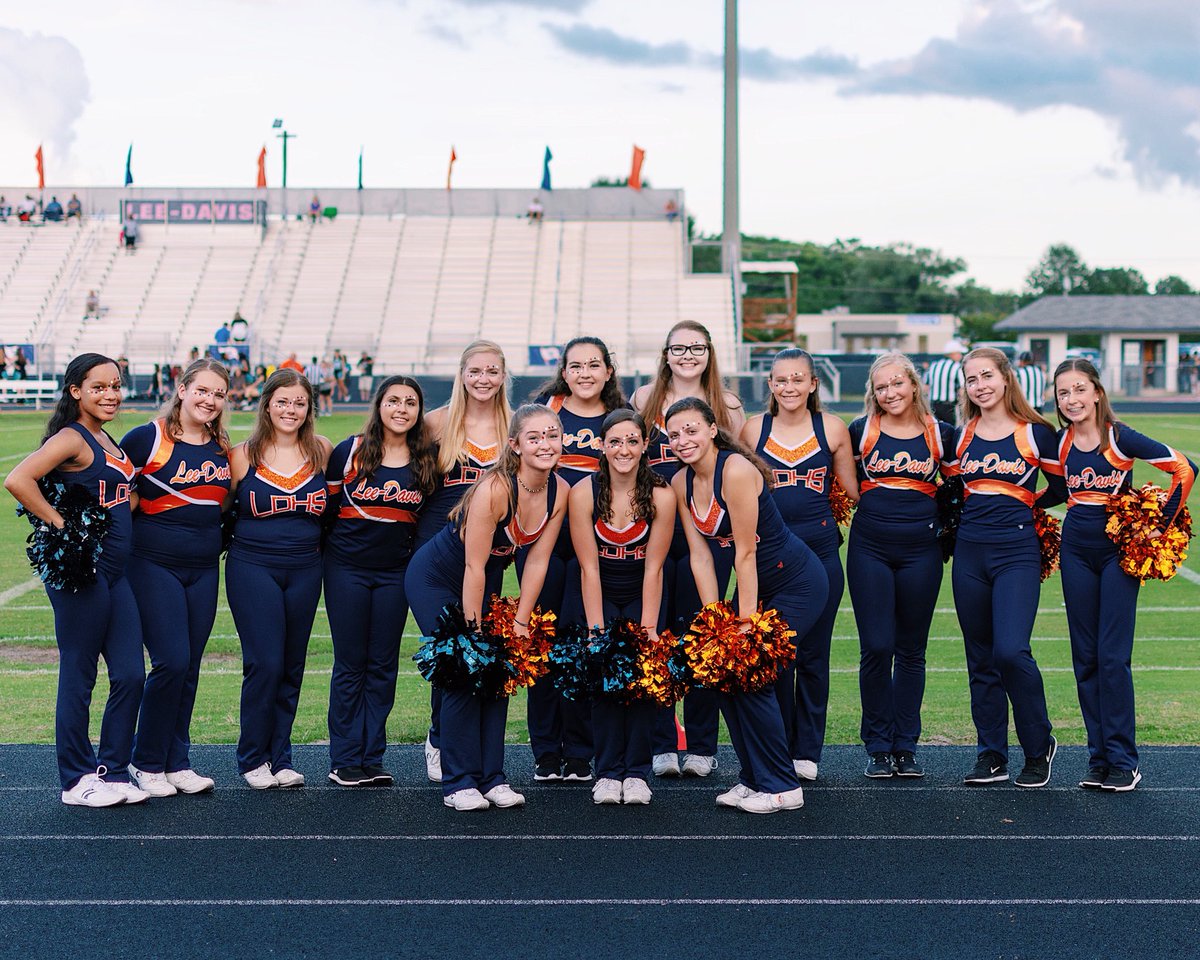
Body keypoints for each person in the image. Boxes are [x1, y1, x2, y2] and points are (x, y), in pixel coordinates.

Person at [666, 397, 827, 813]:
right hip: (762, 584)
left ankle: (781, 786)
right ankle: (753, 777)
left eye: (691, 430)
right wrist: (715, 622)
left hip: (797, 582)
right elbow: (700, 556)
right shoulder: (681, 482)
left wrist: (745, 625)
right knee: (725, 675)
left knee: (750, 674)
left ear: (712, 429)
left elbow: (746, 555)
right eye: (675, 434)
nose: (683, 440)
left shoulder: (735, 470)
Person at [406, 404, 569, 811]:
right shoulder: (495, 489)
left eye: (552, 434)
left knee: (499, 673)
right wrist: (473, 631)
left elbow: (537, 561)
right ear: (514, 445)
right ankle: (458, 782)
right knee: (465, 669)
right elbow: (474, 565)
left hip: (484, 578)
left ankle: (492, 776)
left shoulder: (560, 490)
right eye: (534, 437)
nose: (545, 443)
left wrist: (520, 621)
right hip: (439, 577)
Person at [4, 354, 147, 806]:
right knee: (80, 672)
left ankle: (113, 770)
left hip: (116, 573)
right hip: (81, 571)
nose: (110, 395)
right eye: (99, 387)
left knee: (130, 674)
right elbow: (18, 479)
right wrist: (63, 526)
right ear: (76, 392)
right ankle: (75, 779)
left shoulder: (110, 440)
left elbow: (123, 499)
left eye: (116, 386)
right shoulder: (71, 438)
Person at [1051, 359, 1195, 791]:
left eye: (1079, 389)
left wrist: (1158, 525)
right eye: (1063, 393)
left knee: (1113, 657)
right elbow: (1059, 492)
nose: (1072, 399)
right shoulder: (1060, 443)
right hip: (1075, 546)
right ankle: (1098, 759)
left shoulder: (1119, 437)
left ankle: (1123, 759)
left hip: (1117, 551)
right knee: (1086, 658)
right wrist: (1014, 508)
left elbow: (1185, 469)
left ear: (1096, 392)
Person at [633, 320, 744, 778]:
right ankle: (661, 741)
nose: (687, 355)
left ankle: (701, 742)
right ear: (665, 353)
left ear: (709, 352)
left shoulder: (729, 404)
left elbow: (737, 468)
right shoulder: (643, 400)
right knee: (655, 632)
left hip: (706, 530)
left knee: (703, 634)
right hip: (654, 531)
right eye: (678, 348)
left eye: (696, 347)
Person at [952, 347, 1066, 788]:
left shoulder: (1037, 433)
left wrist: (1025, 504)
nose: (979, 386)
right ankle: (992, 754)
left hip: (1016, 551)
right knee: (980, 656)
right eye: (971, 379)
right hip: (970, 553)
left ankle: (1038, 748)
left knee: (1010, 651)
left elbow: (1060, 487)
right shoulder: (963, 434)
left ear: (1006, 378)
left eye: (986, 376)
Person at [741, 348, 857, 781]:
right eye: (780, 380)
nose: (789, 387)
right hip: (769, 561)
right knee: (774, 659)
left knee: (813, 656)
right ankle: (779, 748)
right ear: (770, 385)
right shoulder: (754, 429)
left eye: (798, 379)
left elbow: (854, 490)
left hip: (821, 557)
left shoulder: (833, 428)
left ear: (813, 384)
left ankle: (807, 751)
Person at [120, 358, 233, 798]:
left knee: (189, 668)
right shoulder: (147, 438)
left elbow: (222, 507)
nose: (209, 400)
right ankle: (145, 761)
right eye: (202, 390)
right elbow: (114, 495)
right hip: (152, 564)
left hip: (203, 569)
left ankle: (176, 760)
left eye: (218, 394)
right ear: (182, 389)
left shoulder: (222, 446)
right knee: (171, 661)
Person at [846, 353, 957, 778]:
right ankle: (877, 744)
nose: (889, 393)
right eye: (881, 387)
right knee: (876, 646)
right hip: (870, 548)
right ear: (873, 393)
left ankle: (905, 745)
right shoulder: (862, 431)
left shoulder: (940, 433)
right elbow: (848, 483)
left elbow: (953, 488)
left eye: (897, 383)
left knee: (911, 650)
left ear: (914, 384)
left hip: (921, 552)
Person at [324, 377, 439, 787]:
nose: (401, 409)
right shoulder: (350, 452)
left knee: (382, 665)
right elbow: (328, 510)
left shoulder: (427, 458)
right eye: (393, 400)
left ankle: (372, 756)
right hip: (346, 570)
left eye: (411, 402)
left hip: (396, 574)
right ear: (380, 405)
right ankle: (344, 758)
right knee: (351, 663)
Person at [526, 336, 627, 782]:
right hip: (544, 545)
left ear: (608, 371)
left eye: (594, 364)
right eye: (576, 365)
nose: (585, 372)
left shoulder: (621, 419)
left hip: (600, 550)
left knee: (587, 644)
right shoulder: (545, 412)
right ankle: (547, 752)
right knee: (543, 646)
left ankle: (582, 752)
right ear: (563, 371)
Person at [226, 369, 332, 789]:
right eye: (283, 401)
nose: (291, 410)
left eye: (299, 403)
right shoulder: (242, 454)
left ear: (310, 408)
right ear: (267, 404)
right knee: (265, 662)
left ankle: (280, 756)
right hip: (253, 566)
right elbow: (215, 512)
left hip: (307, 568)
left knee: (291, 663)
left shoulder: (322, 450)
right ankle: (252, 757)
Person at [414, 340, 511, 781]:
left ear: (503, 376)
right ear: (462, 374)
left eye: (492, 371)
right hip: (438, 553)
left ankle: (457, 746)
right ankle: (441, 739)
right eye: (475, 371)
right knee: (450, 650)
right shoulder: (436, 424)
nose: (483, 379)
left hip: (489, 560)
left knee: (477, 652)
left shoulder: (516, 426)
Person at [566, 410, 674, 805]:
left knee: (642, 683)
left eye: (632, 441)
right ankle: (608, 772)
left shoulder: (662, 494)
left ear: (645, 445)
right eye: (614, 441)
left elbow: (655, 566)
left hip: (641, 592)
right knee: (605, 683)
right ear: (601, 446)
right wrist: (596, 630)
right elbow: (588, 566)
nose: (623, 449)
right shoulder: (583, 493)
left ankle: (638, 773)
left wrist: (648, 628)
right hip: (601, 592)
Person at [924, 339, 965, 424]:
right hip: (948, 406)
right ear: (952, 354)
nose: (961, 356)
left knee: (936, 430)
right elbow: (962, 389)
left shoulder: (934, 365)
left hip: (933, 405)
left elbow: (925, 387)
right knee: (949, 432)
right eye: (959, 353)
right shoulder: (956, 367)